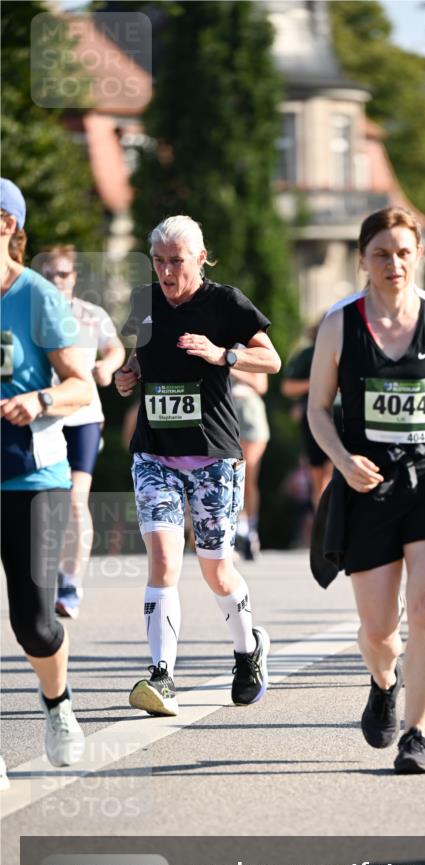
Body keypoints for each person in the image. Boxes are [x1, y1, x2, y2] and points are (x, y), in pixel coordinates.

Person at [308, 207, 425, 775]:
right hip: (369, 486)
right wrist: (343, 462)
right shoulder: (341, 323)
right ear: (362, 260)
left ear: (418, 255)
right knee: (377, 631)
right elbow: (318, 409)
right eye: (381, 253)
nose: (393, 263)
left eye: (403, 252)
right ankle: (383, 681)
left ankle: (416, 734)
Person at [115, 215, 280, 717]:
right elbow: (138, 361)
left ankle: (247, 651)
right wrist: (128, 376)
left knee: (216, 572)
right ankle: (162, 677)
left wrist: (222, 354)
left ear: (201, 259)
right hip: (155, 452)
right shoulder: (143, 304)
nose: (166, 271)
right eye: (159, 260)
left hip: (213, 456)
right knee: (163, 561)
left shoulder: (225, 303)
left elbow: (270, 360)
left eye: (177, 261)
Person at [0, 178, 92, 770]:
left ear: (6, 225)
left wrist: (39, 401)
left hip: (32, 478)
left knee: (34, 624)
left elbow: (81, 386)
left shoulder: (36, 295)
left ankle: (56, 702)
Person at [38, 245, 125, 618]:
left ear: (74, 277)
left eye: (63, 274)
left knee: (76, 498)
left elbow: (115, 348)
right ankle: (52, 574)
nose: (56, 281)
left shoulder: (92, 315)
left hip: (85, 416)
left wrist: (108, 366)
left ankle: (70, 583)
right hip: (46, 417)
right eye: (49, 275)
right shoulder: (32, 317)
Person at [282, 320, 339, 509]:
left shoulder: (353, 348)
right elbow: (288, 387)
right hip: (316, 419)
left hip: (344, 418)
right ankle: (322, 526)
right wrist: (319, 383)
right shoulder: (308, 354)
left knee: (335, 472)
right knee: (319, 476)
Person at [231, 367, 270, 560]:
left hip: (249, 414)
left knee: (247, 477)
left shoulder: (250, 344)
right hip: (225, 413)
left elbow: (261, 385)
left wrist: (229, 363)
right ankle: (237, 532)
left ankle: (251, 533)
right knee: (229, 478)